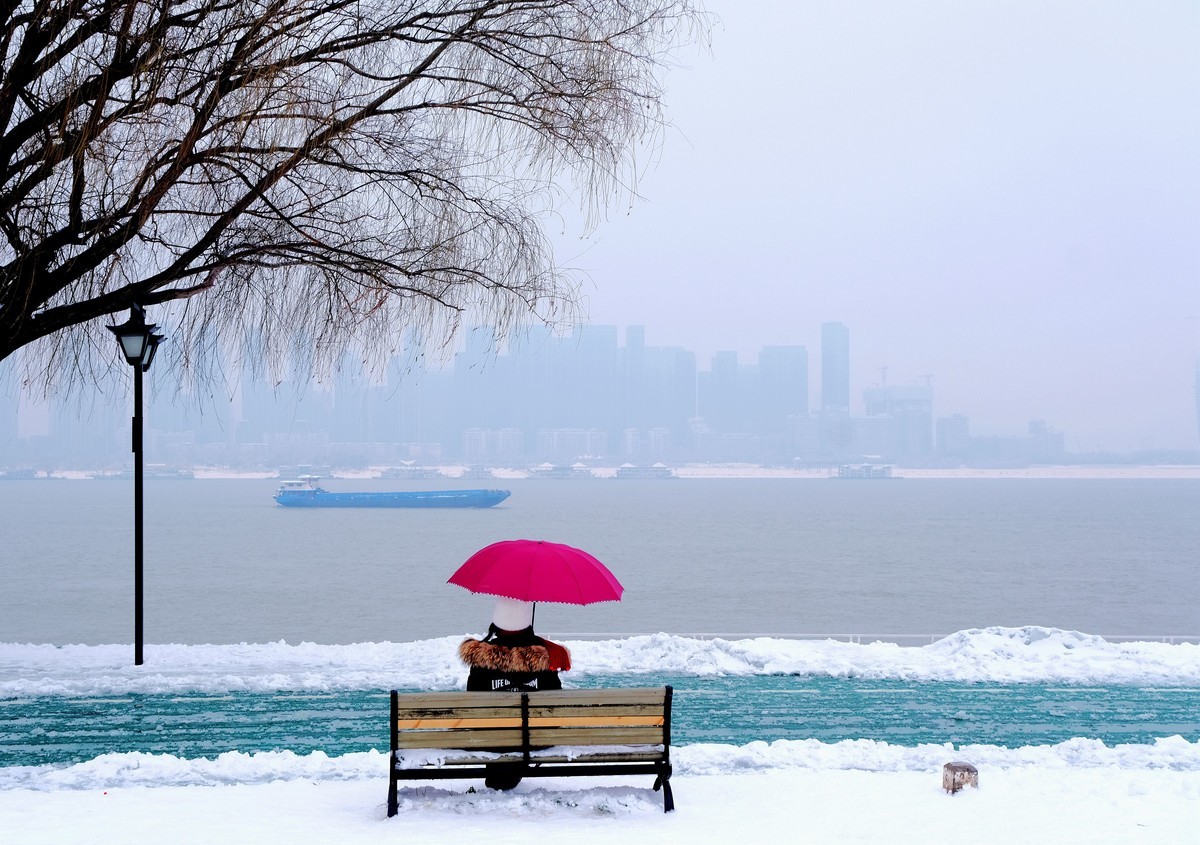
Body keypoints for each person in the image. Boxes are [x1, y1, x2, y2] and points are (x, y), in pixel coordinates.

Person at [458, 597, 572, 789]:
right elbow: (555, 704)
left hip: (490, 740)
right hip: (537, 740)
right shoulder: (546, 659)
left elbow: (473, 703)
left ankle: (502, 774)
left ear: (495, 626)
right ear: (528, 627)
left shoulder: (480, 661)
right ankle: (510, 773)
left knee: (495, 730)